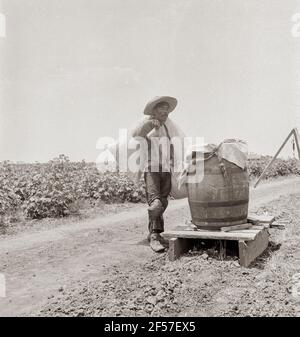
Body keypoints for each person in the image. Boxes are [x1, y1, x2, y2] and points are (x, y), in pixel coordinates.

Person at [131, 96, 179, 252]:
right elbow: (137, 134)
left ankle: (156, 232)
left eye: (167, 109)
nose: (165, 112)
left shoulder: (167, 127)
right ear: (154, 111)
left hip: (165, 168)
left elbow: (172, 144)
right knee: (155, 203)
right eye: (162, 109)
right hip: (151, 168)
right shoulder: (149, 123)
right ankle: (154, 236)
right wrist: (150, 124)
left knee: (163, 202)